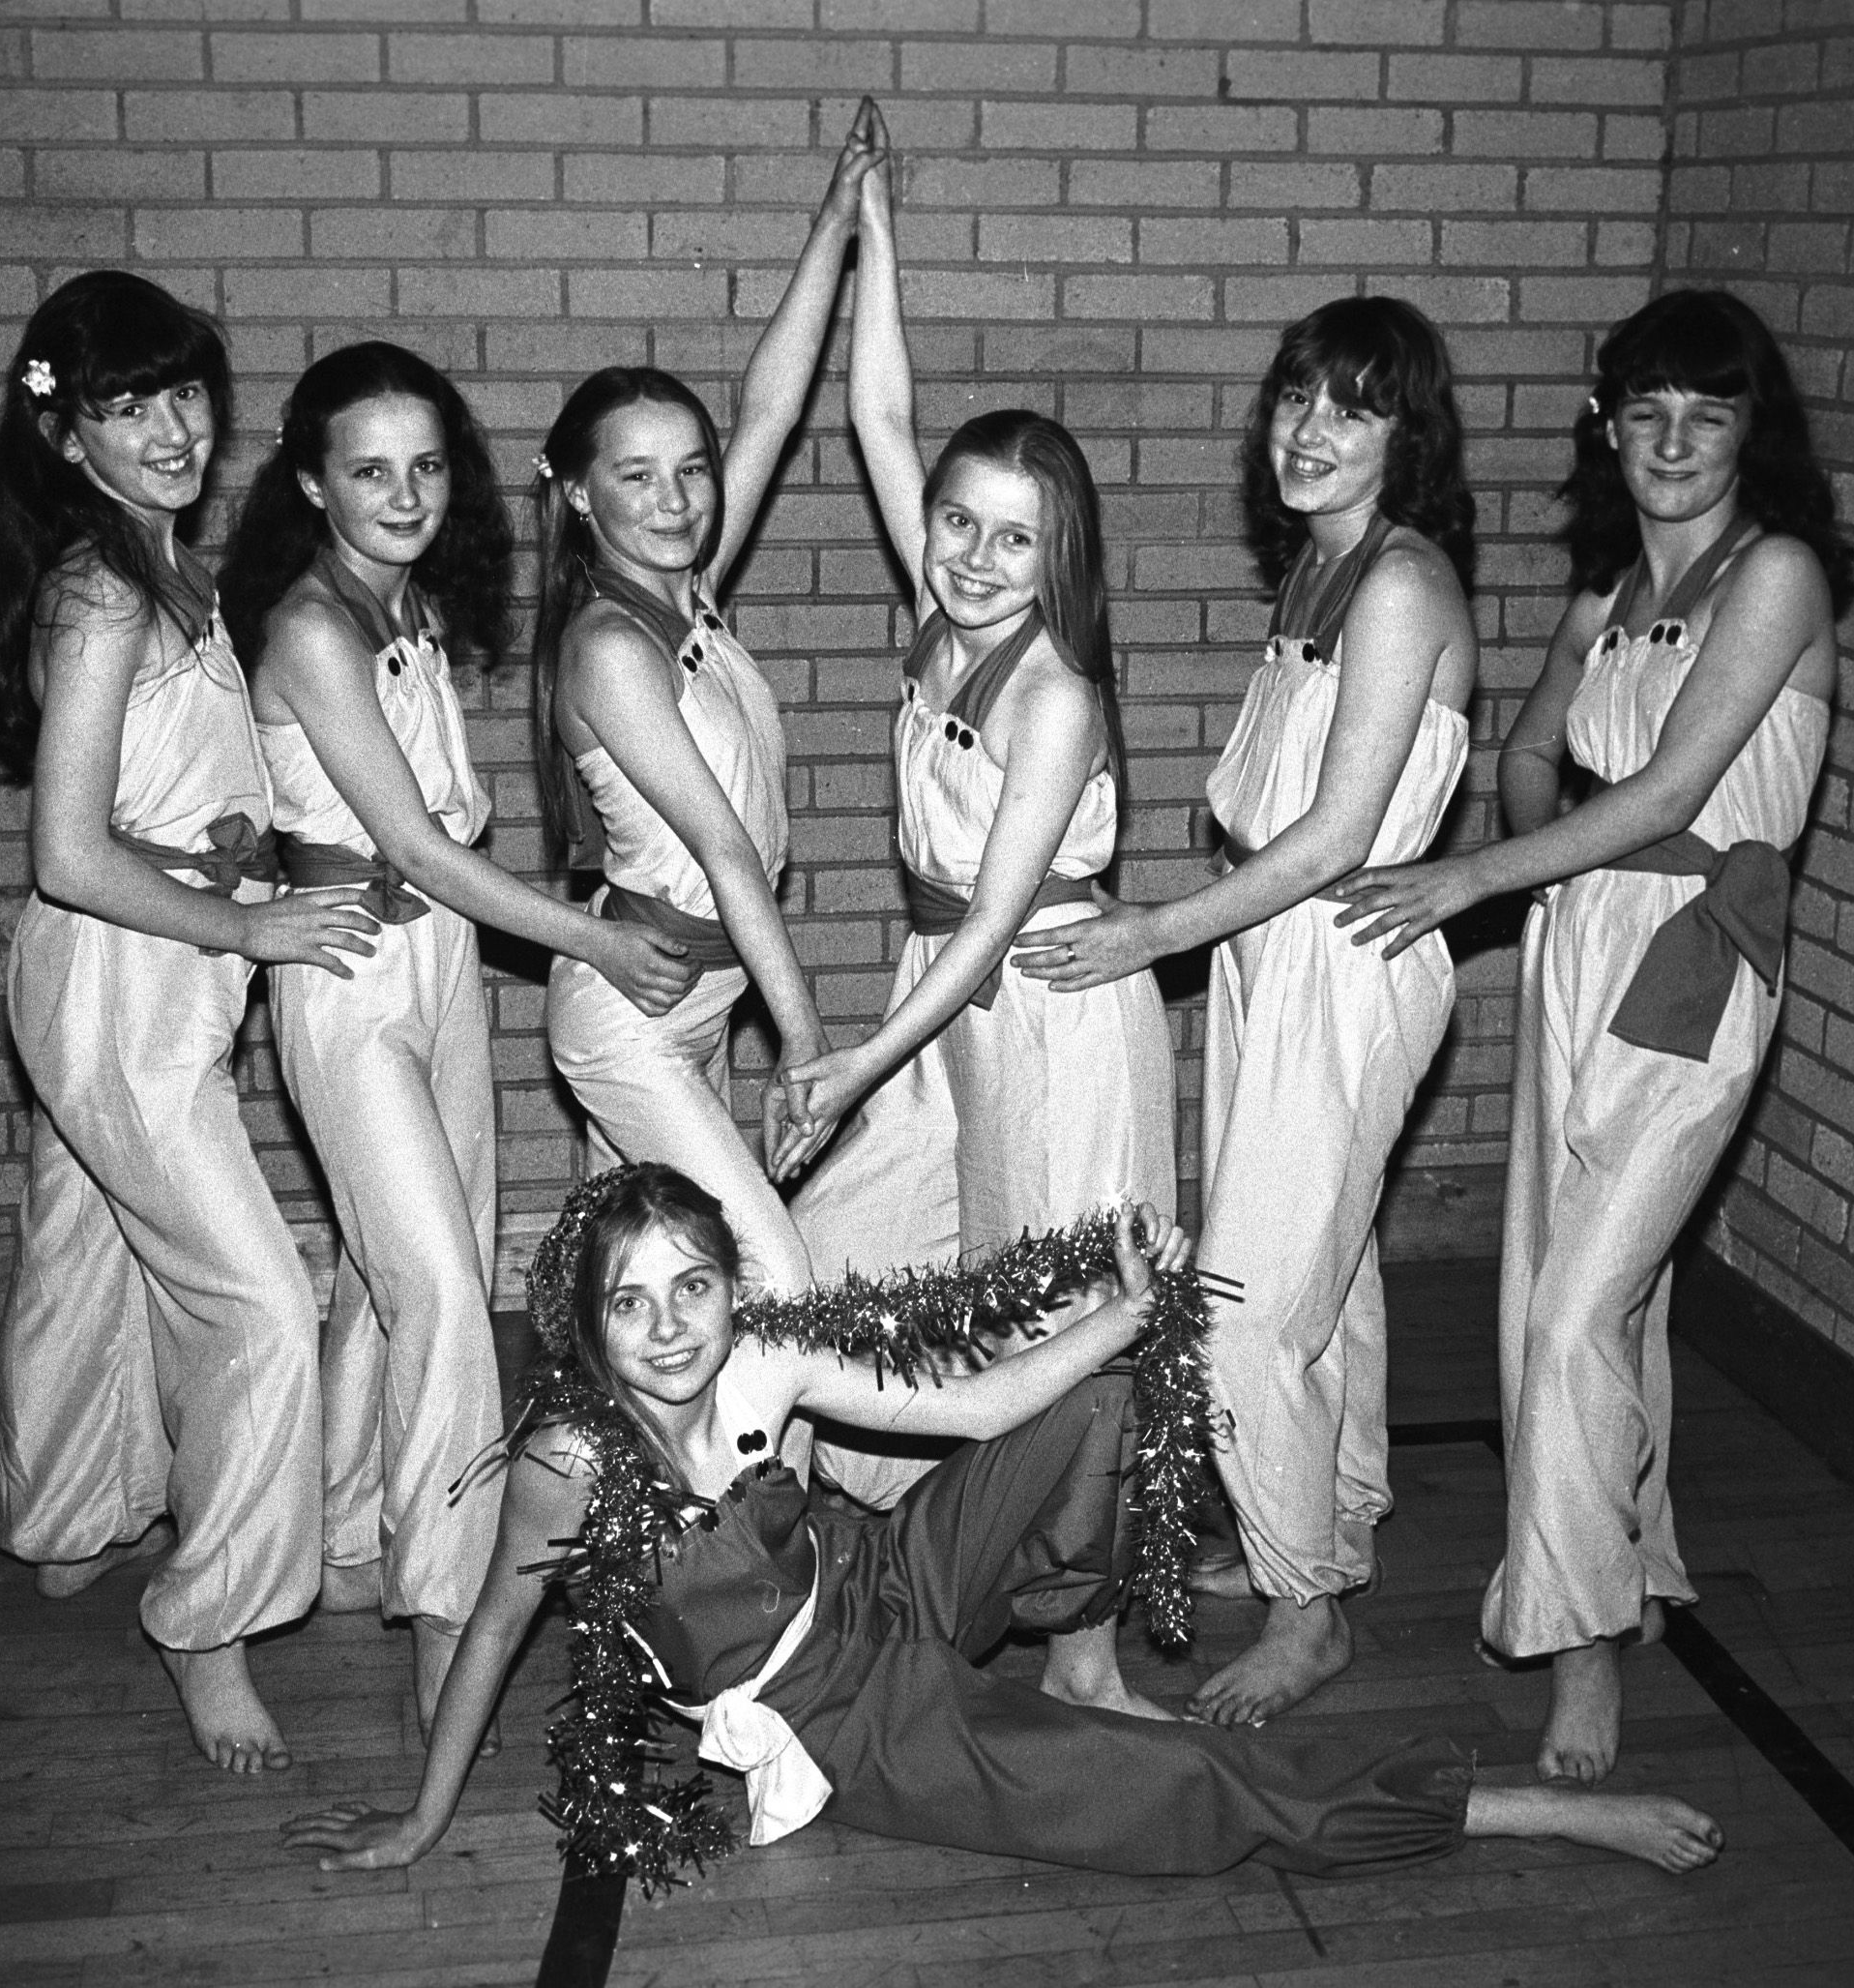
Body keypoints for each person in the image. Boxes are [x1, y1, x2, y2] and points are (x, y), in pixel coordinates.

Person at [280, 1164, 1723, 1882]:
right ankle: (1508, 1801)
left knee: (1094, 1412)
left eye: (693, 1286)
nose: (669, 1327)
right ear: (584, 1324)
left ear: (730, 1285)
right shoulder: (567, 1460)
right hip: (842, 1708)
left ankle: (1068, 1649)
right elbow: (491, 1628)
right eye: (629, 1300)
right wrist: (418, 1817)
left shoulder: (763, 1359)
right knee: (1153, 1798)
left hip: (887, 1576)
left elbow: (975, 1412)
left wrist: (1122, 1308)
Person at [1335, 289, 1848, 1783]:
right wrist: (1527, 843)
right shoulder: (1606, 592)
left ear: (1753, 430)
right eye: (1644, 412)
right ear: (1601, 420)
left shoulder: (1777, 576)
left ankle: (1576, 1643)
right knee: (1573, 1295)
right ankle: (1643, 1560)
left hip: (1691, 953)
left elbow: (1679, 787)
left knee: (1575, 1314)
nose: (1672, 441)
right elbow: (1528, 750)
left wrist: (1470, 877)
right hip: (1577, 934)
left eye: (1706, 413)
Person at [214, 341, 697, 1734]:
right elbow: (415, 845)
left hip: (434, 965)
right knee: (435, 1286)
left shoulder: (402, 603)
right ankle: (444, 1608)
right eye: (368, 468)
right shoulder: (310, 623)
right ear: (310, 480)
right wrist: (594, 938)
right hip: (354, 965)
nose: (404, 490)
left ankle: (352, 1524)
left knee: (393, 1270)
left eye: (426, 465)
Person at [1014, 298, 1483, 1728]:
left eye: (1349, 407)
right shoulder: (1320, 570)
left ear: (1407, 437)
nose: (1308, 429)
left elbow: (1340, 830)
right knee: (1318, 1275)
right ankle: (1320, 1534)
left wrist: (1149, 931)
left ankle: (1306, 1613)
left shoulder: (1399, 583)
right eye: (1294, 397)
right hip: (1267, 953)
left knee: (1239, 1305)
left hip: (1336, 956)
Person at [0, 271, 379, 1773]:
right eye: (129, 406)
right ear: (69, 439)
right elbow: (65, 849)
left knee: (85, 1244)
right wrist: (253, 921)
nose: (172, 428)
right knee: (259, 1307)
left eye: (184, 390)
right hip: (115, 975)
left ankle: (68, 1517)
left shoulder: (172, 571)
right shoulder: (99, 588)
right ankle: (208, 1619)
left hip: (153, 973)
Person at [779, 108, 1177, 1509]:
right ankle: (865, 1519)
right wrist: (871, 230)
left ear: (1058, 551)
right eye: (957, 522)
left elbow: (998, 917)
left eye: (1017, 538)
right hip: (941, 987)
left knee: (1053, 1301)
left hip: (1040, 1005)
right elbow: (878, 414)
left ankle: (1069, 1613)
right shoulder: (932, 612)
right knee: (830, 1244)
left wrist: (847, 1063)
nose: (976, 556)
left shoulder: (1051, 692)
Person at [531, 109, 887, 1310]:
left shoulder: (691, 597)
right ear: (581, 496)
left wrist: (835, 226)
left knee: (631, 1285)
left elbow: (772, 411)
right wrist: (806, 1042)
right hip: (632, 1011)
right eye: (637, 476)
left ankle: (625, 1492)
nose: (678, 498)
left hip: (704, 998)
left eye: (690, 468)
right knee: (761, 1272)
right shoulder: (610, 646)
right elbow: (728, 849)